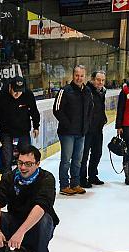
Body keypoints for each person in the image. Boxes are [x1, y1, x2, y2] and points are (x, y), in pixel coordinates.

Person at [0, 145, 60, 252]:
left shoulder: (46, 179)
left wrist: (20, 232)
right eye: (20, 163)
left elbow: (41, 207)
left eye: (28, 164)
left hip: (37, 228)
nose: (23, 167)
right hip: (15, 223)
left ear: (37, 164)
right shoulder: (10, 177)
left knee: (45, 219)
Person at [53, 65, 93, 196]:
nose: (79, 78)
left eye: (82, 76)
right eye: (77, 75)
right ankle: (64, 185)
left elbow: (90, 110)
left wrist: (86, 125)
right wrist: (68, 124)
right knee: (66, 160)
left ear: (85, 76)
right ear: (73, 75)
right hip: (67, 133)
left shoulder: (87, 91)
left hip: (81, 132)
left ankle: (75, 184)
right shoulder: (65, 91)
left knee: (77, 160)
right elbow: (57, 110)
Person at [0, 76, 41, 174]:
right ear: (10, 87)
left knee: (26, 157)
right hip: (6, 132)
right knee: (6, 159)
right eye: (15, 90)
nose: (17, 94)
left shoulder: (28, 94)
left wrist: (36, 126)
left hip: (23, 131)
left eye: (20, 91)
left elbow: (34, 111)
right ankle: (6, 182)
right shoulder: (1, 96)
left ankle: (25, 180)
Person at [80, 71, 107, 188]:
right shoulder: (86, 91)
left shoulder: (101, 92)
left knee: (97, 153)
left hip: (98, 128)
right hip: (87, 129)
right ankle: (82, 178)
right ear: (92, 79)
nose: (100, 82)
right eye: (98, 80)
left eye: (102, 80)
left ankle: (92, 176)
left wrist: (103, 119)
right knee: (84, 155)